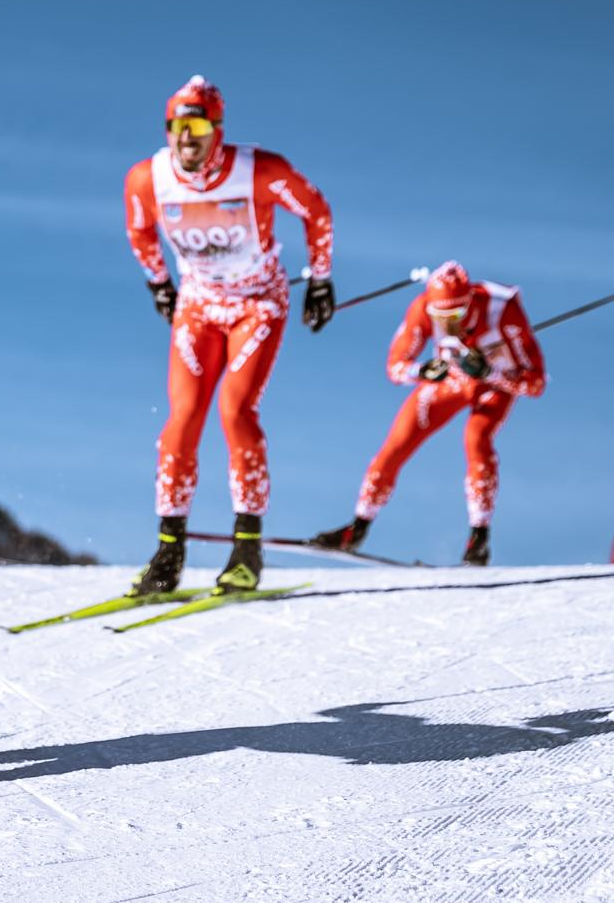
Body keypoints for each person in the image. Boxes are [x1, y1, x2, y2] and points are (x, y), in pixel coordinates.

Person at [123, 76, 335, 595]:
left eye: (196, 126)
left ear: (217, 129)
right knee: (183, 419)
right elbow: (139, 231)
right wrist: (159, 283)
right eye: (176, 126)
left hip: (257, 304)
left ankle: (246, 549)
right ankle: (168, 552)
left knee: (235, 411)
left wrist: (321, 279)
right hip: (198, 307)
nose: (185, 138)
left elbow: (316, 211)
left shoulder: (260, 171)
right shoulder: (147, 179)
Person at [313, 260, 545, 566]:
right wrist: (421, 371)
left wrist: (490, 371)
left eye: (456, 315)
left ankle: (479, 539)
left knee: (476, 439)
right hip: (451, 381)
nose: (449, 325)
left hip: (494, 386)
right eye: (441, 316)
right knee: (397, 443)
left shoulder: (503, 310)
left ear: (470, 302)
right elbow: (395, 367)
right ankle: (357, 527)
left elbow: (536, 383)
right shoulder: (423, 307)